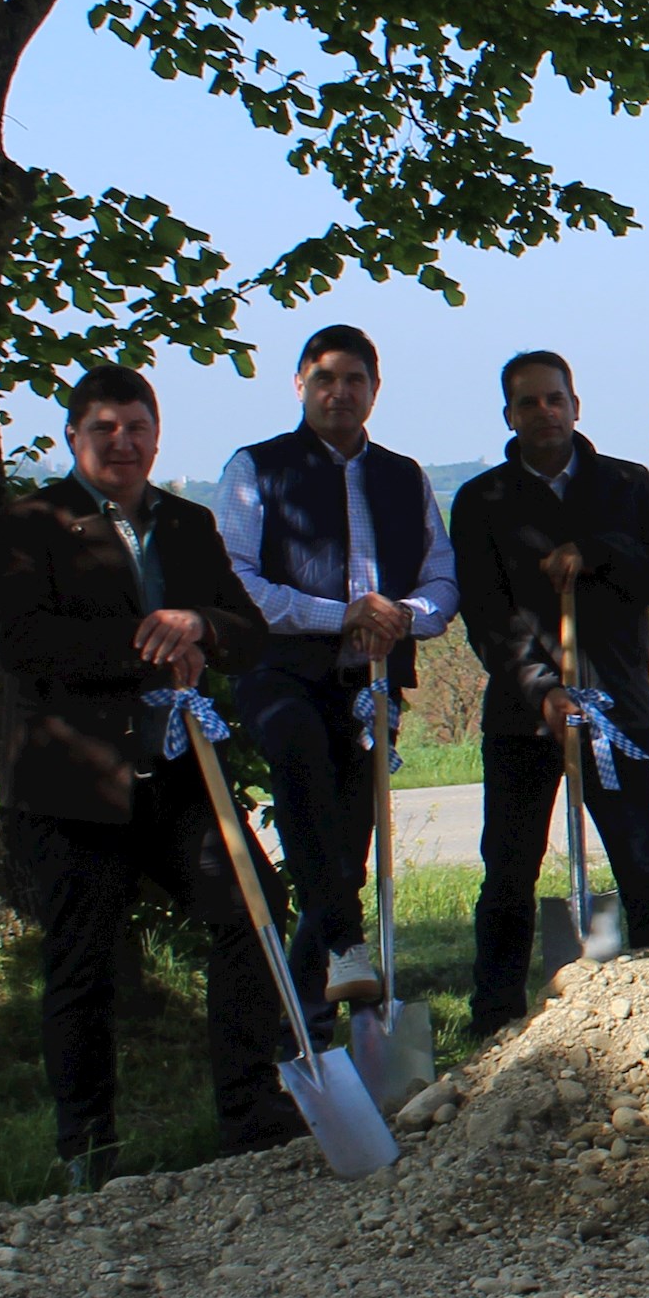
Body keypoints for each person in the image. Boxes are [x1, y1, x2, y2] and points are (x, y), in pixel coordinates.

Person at [0, 364, 301, 1183]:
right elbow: (25, 646)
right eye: (104, 429)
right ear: (73, 439)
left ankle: (250, 1110)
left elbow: (251, 633)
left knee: (253, 911)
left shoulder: (189, 525)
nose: (122, 443)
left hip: (176, 776)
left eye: (136, 427)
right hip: (73, 781)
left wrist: (200, 621)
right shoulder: (28, 525)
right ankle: (87, 1146)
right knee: (83, 962)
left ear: (157, 436)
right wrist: (148, 641)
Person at [218, 323, 459, 1021]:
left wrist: (402, 615)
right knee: (297, 754)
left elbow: (442, 579)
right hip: (281, 673)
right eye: (324, 378)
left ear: (375, 391)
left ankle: (300, 1009)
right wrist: (339, 614)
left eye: (354, 380)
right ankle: (348, 942)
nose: (339, 392)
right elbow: (238, 583)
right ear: (299, 385)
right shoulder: (254, 469)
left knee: (344, 848)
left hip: (368, 683)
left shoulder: (403, 476)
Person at [456, 349, 649, 1030]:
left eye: (554, 398)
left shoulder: (626, 486)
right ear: (509, 414)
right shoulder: (484, 502)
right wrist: (540, 688)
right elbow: (485, 615)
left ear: (576, 404)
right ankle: (495, 1020)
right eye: (528, 402)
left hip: (616, 704)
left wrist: (601, 551)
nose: (544, 411)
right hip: (522, 717)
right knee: (507, 873)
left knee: (644, 861)